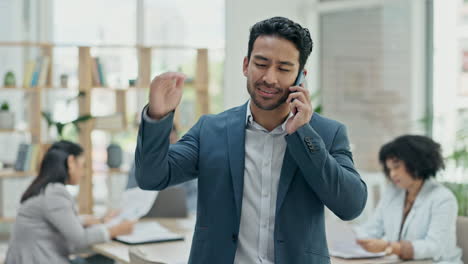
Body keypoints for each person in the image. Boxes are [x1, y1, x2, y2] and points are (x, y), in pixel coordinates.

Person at [135, 16, 367, 264]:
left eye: (284, 68)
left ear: (301, 76)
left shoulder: (327, 133)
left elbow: (350, 206)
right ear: (246, 65)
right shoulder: (210, 130)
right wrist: (157, 116)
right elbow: (152, 177)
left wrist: (303, 133)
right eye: (261, 63)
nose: (269, 78)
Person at [6, 141, 135, 264]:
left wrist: (95, 221)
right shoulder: (55, 193)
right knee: (105, 259)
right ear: (71, 162)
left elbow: (53, 223)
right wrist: (115, 230)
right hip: (41, 260)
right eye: (83, 165)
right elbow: (79, 240)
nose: (83, 173)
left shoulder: (44, 188)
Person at [354, 135, 463, 263]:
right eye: (389, 169)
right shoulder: (393, 192)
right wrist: (353, 238)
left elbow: (435, 246)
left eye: (396, 167)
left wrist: (390, 247)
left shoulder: (443, 199)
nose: (392, 174)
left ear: (416, 163)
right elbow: (373, 228)